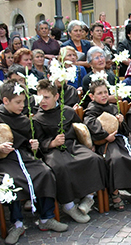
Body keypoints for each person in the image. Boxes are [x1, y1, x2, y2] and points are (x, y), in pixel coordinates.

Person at [0, 80, 68, 245]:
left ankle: (46, 217)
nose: (22, 106)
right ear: (5, 101)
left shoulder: (24, 119)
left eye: (23, 102)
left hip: (25, 157)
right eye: (18, 102)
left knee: (44, 172)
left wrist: (33, 145)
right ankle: (17, 223)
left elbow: (29, 143)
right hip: (4, 160)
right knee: (10, 180)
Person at [33, 79, 107, 222]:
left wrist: (88, 143)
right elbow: (39, 142)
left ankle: (89, 197)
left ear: (56, 97)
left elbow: (80, 128)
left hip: (72, 145)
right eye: (39, 97)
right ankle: (69, 205)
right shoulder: (37, 119)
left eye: (46, 97)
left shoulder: (67, 111)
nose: (43, 101)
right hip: (52, 151)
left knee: (94, 159)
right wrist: (52, 143)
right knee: (60, 167)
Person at [84, 79, 131, 210]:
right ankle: (114, 192)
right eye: (100, 93)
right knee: (115, 159)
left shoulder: (113, 107)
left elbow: (126, 131)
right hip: (105, 142)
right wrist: (105, 136)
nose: (104, 95)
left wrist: (121, 122)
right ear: (92, 96)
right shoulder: (91, 111)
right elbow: (92, 126)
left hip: (120, 139)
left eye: (106, 92)